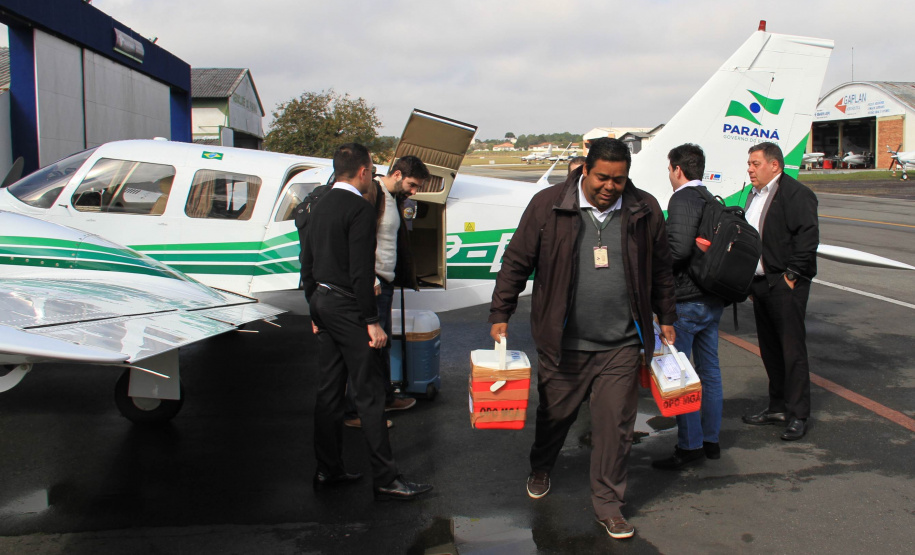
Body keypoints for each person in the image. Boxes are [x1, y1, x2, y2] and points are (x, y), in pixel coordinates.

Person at [488, 138, 677, 539]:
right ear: (585, 171)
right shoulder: (547, 205)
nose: (610, 186)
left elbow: (661, 268)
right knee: (555, 417)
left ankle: (609, 505)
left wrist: (668, 316)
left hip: (623, 344)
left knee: (615, 427)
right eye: (602, 178)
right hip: (564, 343)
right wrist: (500, 312)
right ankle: (542, 465)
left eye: (619, 180)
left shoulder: (644, 209)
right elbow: (517, 260)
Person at [301, 142, 432, 500]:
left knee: (328, 392)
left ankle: (328, 468)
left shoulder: (319, 203)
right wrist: (372, 321)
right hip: (349, 308)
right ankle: (387, 478)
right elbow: (361, 273)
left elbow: (307, 262)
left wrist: (314, 308)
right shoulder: (358, 209)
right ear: (362, 171)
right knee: (370, 394)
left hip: (323, 302)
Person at [651, 144, 726, 470]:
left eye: (670, 170)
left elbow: (678, 250)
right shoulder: (710, 198)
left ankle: (690, 446)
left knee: (679, 375)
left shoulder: (682, 198)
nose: (670, 176)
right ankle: (710, 440)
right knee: (709, 372)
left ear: (678, 169)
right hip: (712, 297)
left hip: (686, 301)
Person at [343, 156, 430, 428]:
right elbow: (359, 239)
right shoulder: (373, 194)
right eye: (412, 185)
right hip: (375, 282)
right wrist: (368, 278)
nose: (414, 192)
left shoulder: (393, 199)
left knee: (382, 346)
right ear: (396, 174)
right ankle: (357, 413)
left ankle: (384, 398)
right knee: (369, 348)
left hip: (386, 281)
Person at [740, 141, 819, 441]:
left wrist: (792, 276)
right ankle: (777, 407)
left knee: (792, 351)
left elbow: (808, 237)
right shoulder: (754, 195)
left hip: (784, 284)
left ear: (774, 165)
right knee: (770, 350)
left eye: (755, 163)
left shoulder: (797, 194)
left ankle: (798, 414)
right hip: (760, 284)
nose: (749, 169)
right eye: (749, 163)